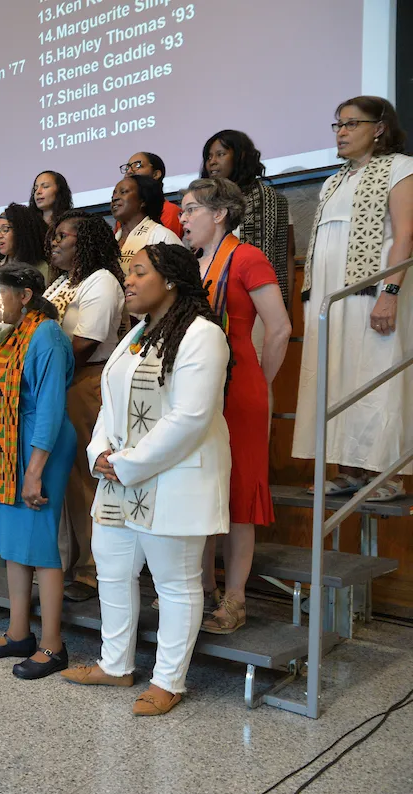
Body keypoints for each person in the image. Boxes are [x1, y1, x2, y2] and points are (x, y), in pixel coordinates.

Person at [61, 243, 231, 717]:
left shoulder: (202, 334)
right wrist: (99, 453)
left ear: (171, 280)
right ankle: (115, 664)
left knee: (175, 584)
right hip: (120, 480)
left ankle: (168, 680)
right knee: (113, 574)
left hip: (173, 479)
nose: (128, 281)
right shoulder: (135, 334)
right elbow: (109, 405)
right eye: (127, 273)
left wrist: (129, 462)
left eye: (138, 272)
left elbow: (193, 417)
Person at [180, 178, 290, 634]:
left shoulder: (247, 257)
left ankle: (235, 599)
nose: (182, 219)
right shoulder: (188, 265)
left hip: (239, 388)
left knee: (240, 494)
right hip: (197, 387)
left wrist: (259, 383)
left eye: (189, 210)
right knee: (201, 487)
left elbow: (280, 327)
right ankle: (200, 590)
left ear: (219, 213)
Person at [294, 96, 412, 501]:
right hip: (331, 294)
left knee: (373, 373)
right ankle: (349, 469)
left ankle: (385, 474)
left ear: (378, 128)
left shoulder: (399, 167)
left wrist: (390, 293)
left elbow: (405, 235)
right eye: (337, 125)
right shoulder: (334, 180)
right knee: (337, 375)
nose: (341, 132)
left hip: (372, 291)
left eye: (351, 124)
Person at [0, 265, 76, 680]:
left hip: (39, 442)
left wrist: (35, 470)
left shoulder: (45, 333)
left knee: (41, 543)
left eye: (0, 293)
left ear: (27, 294)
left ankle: (53, 643)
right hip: (11, 442)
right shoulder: (14, 334)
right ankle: (19, 632)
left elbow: (50, 405)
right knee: (16, 543)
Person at [42, 211, 126, 599]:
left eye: (63, 236)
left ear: (85, 242)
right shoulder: (63, 282)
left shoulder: (101, 282)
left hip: (84, 380)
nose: (54, 242)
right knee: (67, 479)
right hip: (60, 382)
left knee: (86, 478)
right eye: (54, 235)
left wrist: (44, 372)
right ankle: (67, 560)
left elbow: (83, 342)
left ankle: (92, 570)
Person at [0, 204, 49, 461]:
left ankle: (2, 484)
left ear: (22, 232)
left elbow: (32, 315)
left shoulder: (38, 269)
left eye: (6, 230)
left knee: (4, 421)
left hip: (14, 355)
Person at [200, 130, 292, 304]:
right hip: (211, 294)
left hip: (257, 298)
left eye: (220, 154)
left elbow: (285, 256)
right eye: (209, 157)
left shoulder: (271, 200)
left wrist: (286, 307)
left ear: (241, 157)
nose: (212, 162)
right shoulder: (203, 203)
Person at [113, 174, 182, 274]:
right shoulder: (112, 240)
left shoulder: (161, 236)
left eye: (123, 192)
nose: (115, 198)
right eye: (113, 194)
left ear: (143, 201)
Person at [119, 152, 184, 239]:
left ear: (156, 174)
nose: (129, 172)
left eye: (137, 165)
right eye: (127, 168)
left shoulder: (171, 211)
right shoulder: (124, 214)